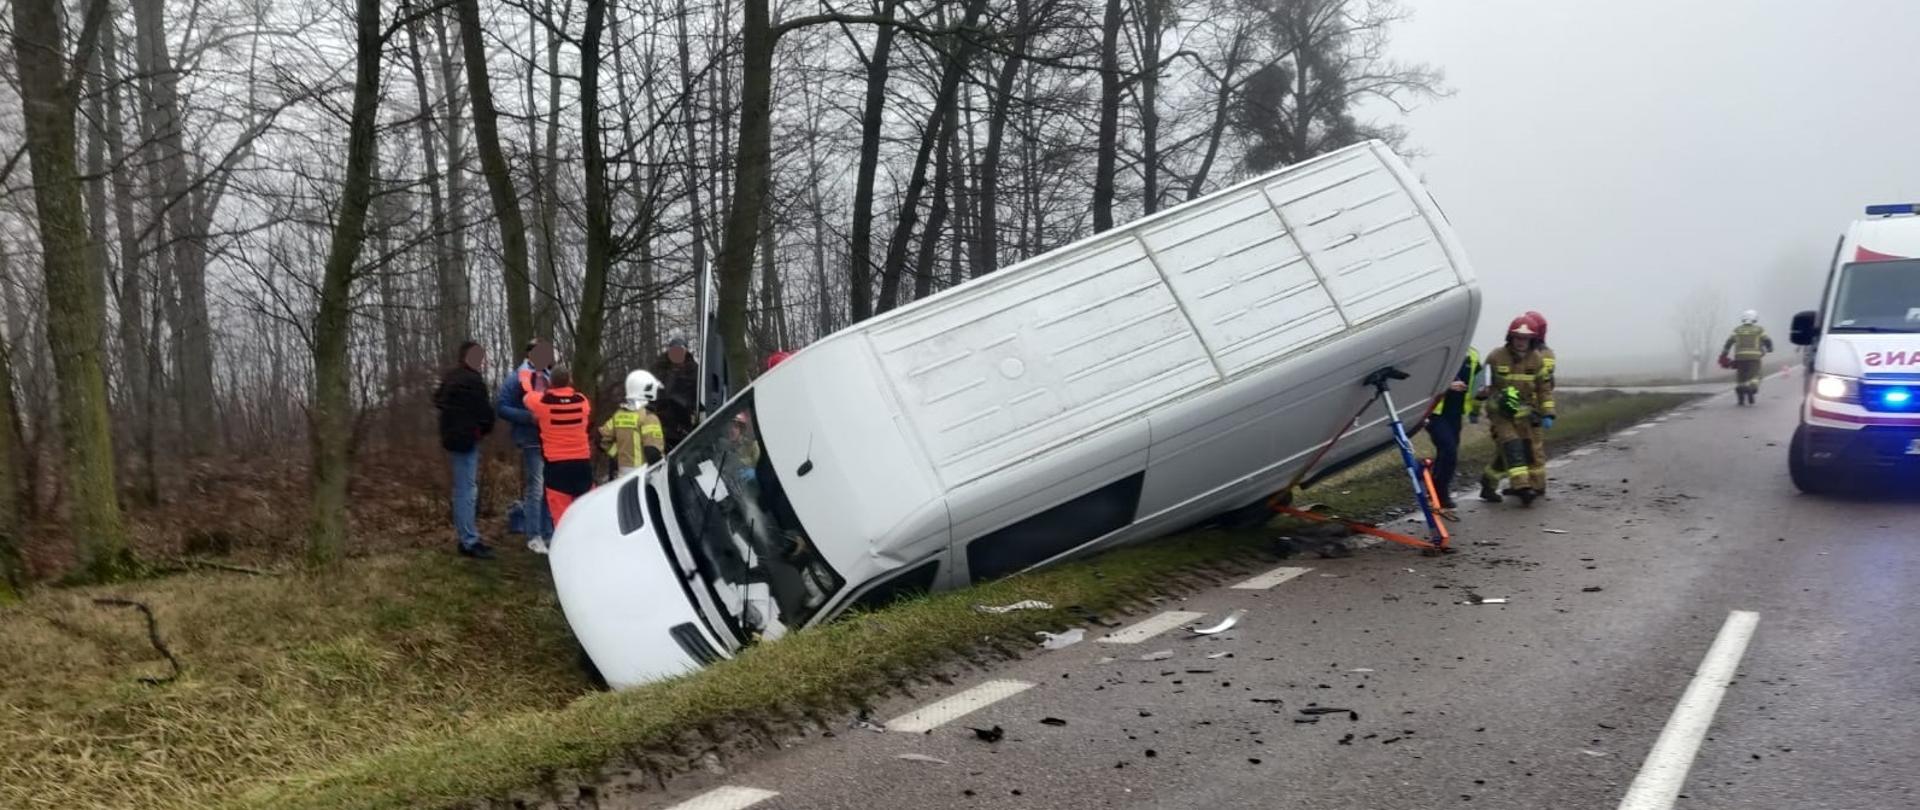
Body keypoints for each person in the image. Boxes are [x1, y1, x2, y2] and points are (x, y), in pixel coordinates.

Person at [1477, 316, 1556, 506]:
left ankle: (1488, 484)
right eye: (1518, 338)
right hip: (1500, 414)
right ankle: (1522, 488)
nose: (1521, 342)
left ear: (1532, 340)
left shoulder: (1536, 359)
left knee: (1510, 452)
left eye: (1525, 339)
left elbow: (1543, 388)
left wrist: (1548, 413)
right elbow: (1480, 384)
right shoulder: (1496, 356)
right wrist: (1474, 407)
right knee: (1513, 446)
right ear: (1510, 338)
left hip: (1524, 416)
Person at [433, 340, 497, 559]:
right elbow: (485, 413)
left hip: (452, 440)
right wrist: (482, 428)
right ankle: (469, 540)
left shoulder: (450, 378)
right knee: (467, 490)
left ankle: (465, 537)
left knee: (462, 489)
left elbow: (438, 400)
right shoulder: (473, 380)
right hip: (466, 440)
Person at [524, 368, 593, 551]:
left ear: (551, 383)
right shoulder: (582, 401)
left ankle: (568, 552)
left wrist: (526, 379)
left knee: (561, 517)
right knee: (585, 509)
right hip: (582, 465)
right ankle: (588, 548)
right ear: (570, 380)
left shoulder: (543, 403)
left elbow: (527, 398)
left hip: (557, 467)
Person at [498, 338, 555, 550]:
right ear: (529, 354)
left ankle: (549, 534)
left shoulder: (549, 376)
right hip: (530, 438)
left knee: (549, 487)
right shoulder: (516, 377)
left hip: (551, 439)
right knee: (536, 487)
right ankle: (534, 536)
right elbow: (501, 407)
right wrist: (527, 417)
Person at [1425, 346, 1481, 521]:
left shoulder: (1472, 355)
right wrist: (1447, 386)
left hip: (1456, 414)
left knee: (1449, 454)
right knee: (1448, 448)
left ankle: (1436, 489)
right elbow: (1425, 381)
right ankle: (1439, 492)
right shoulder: (1440, 351)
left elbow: (1477, 385)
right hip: (1435, 413)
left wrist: (1482, 396)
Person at [599, 369, 666, 477]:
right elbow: (652, 451)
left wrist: (619, 455)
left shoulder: (619, 415)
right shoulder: (648, 417)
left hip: (623, 475)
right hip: (644, 475)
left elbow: (601, 439)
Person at [649, 335, 701, 449]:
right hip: (662, 425)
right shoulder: (659, 369)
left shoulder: (694, 370)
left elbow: (697, 395)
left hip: (685, 425)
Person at [1720, 311, 1774, 406]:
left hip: (1740, 357)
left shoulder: (1737, 330)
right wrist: (1769, 348)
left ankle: (1740, 398)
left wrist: (1724, 353)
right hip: (1754, 357)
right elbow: (1767, 340)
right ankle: (1751, 388)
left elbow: (1729, 342)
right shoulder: (1759, 330)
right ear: (1754, 318)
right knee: (1756, 376)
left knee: (1741, 378)